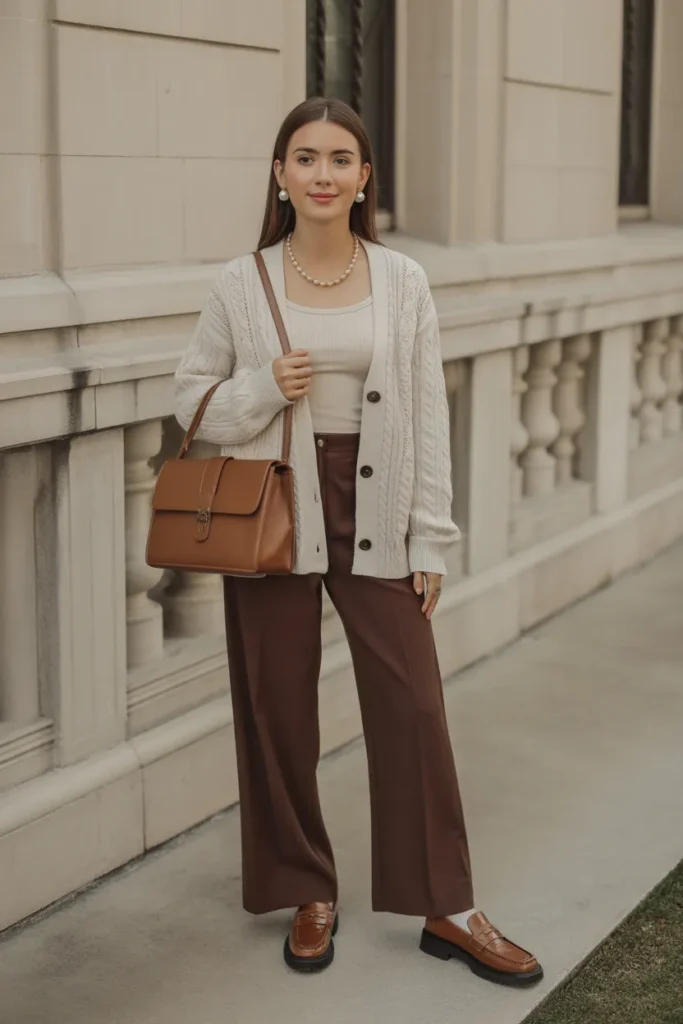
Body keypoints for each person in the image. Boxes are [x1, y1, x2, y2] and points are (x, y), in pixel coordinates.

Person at [174, 97, 542, 987]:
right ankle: (307, 888)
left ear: (364, 176)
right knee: (276, 706)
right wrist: (261, 387)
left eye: (341, 158)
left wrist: (431, 538)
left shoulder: (403, 280)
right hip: (273, 506)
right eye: (305, 158)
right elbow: (189, 398)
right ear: (280, 174)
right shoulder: (241, 281)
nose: (323, 174)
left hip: (376, 505)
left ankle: (445, 905)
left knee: (412, 705)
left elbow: (425, 412)